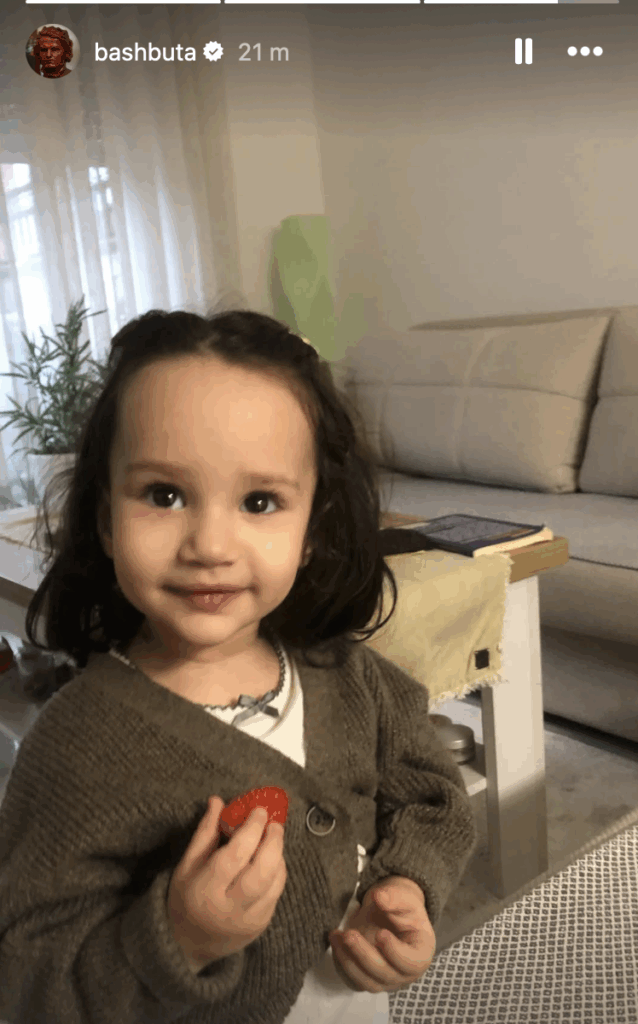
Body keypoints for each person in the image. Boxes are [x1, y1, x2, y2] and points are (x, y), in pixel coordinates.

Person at [0, 308, 478, 1024]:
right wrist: (178, 938)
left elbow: (432, 794)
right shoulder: (76, 746)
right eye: (163, 495)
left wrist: (408, 883)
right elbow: (28, 981)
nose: (210, 545)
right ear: (105, 520)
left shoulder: (351, 677)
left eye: (259, 501)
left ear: (311, 531)